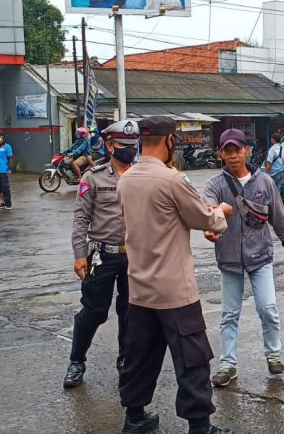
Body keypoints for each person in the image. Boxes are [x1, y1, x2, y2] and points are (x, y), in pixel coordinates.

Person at [115, 115, 234, 434]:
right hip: (174, 290)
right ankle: (200, 427)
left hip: (139, 287)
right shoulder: (172, 180)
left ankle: (135, 417)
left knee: (139, 354)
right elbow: (203, 218)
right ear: (169, 141)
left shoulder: (125, 179)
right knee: (192, 358)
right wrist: (221, 213)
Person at [204, 129, 284, 388]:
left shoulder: (265, 182)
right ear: (221, 154)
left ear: (247, 151)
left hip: (261, 257)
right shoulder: (216, 184)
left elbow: (278, 215)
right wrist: (210, 223)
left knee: (267, 308)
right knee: (229, 314)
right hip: (229, 258)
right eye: (227, 151)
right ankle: (227, 364)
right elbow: (207, 207)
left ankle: (273, 354)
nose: (233, 156)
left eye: (237, 150)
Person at [63, 121, 140, 389]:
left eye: (133, 146)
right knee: (93, 311)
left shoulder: (142, 176)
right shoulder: (92, 177)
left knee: (130, 312)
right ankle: (77, 362)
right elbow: (81, 218)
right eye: (123, 146)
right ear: (109, 145)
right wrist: (79, 253)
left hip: (135, 257)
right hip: (101, 255)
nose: (129, 151)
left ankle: (125, 360)